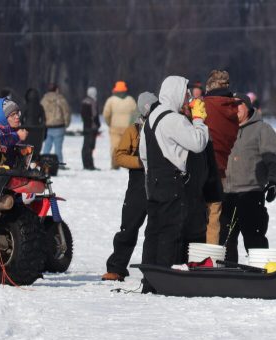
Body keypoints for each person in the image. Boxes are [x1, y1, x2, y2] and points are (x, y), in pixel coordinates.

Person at [139, 76, 210, 293]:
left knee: (153, 231)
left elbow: (143, 154)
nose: (187, 97)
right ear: (177, 92)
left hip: (153, 180)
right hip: (172, 181)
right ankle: (166, 280)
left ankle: (150, 278)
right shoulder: (174, 119)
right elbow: (198, 143)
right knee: (172, 230)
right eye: (185, 93)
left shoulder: (151, 118)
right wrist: (198, 120)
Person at [102, 92, 159, 282]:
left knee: (157, 229)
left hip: (160, 182)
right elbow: (119, 156)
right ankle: (116, 267)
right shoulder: (133, 130)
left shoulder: (163, 128)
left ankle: (155, 269)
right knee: (129, 227)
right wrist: (140, 163)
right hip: (138, 184)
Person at [220, 94, 276, 262]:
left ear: (247, 107)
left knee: (254, 239)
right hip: (227, 194)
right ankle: (227, 274)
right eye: (231, 106)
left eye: (238, 105)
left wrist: (273, 182)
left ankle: (261, 276)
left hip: (251, 193)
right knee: (225, 241)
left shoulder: (262, 129)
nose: (235, 109)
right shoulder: (224, 129)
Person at [201, 70, 240, 245]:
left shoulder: (204, 106)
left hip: (202, 167)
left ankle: (193, 257)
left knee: (197, 215)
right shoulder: (233, 109)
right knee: (214, 217)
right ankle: (210, 256)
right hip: (221, 169)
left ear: (210, 86)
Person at [103, 81, 138, 169]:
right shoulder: (130, 100)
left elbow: (106, 114)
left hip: (115, 128)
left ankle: (115, 164)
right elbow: (136, 113)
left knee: (115, 147)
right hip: (128, 128)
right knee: (128, 146)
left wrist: (109, 123)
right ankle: (128, 164)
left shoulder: (111, 100)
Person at [0, 97, 29, 166]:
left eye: (17, 113)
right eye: (12, 115)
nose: (17, 117)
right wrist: (17, 136)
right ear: (2, 117)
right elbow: (0, 142)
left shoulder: (12, 130)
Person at [41, 83, 72, 164]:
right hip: (59, 126)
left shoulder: (44, 100)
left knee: (47, 147)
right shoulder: (60, 99)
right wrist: (67, 123)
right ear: (56, 89)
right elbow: (66, 112)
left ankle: (44, 162)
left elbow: (41, 112)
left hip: (47, 127)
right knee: (58, 148)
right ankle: (59, 163)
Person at [21, 88, 47, 159]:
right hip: (37, 129)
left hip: (27, 128)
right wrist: (41, 127)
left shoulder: (26, 106)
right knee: (36, 146)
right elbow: (43, 119)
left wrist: (23, 126)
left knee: (27, 146)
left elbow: (20, 118)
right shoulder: (40, 107)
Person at [81, 86, 101, 170]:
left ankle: (85, 164)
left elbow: (82, 115)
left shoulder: (84, 101)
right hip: (92, 128)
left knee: (85, 146)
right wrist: (98, 124)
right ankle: (90, 165)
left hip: (86, 127)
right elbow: (94, 115)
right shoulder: (92, 102)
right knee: (90, 147)